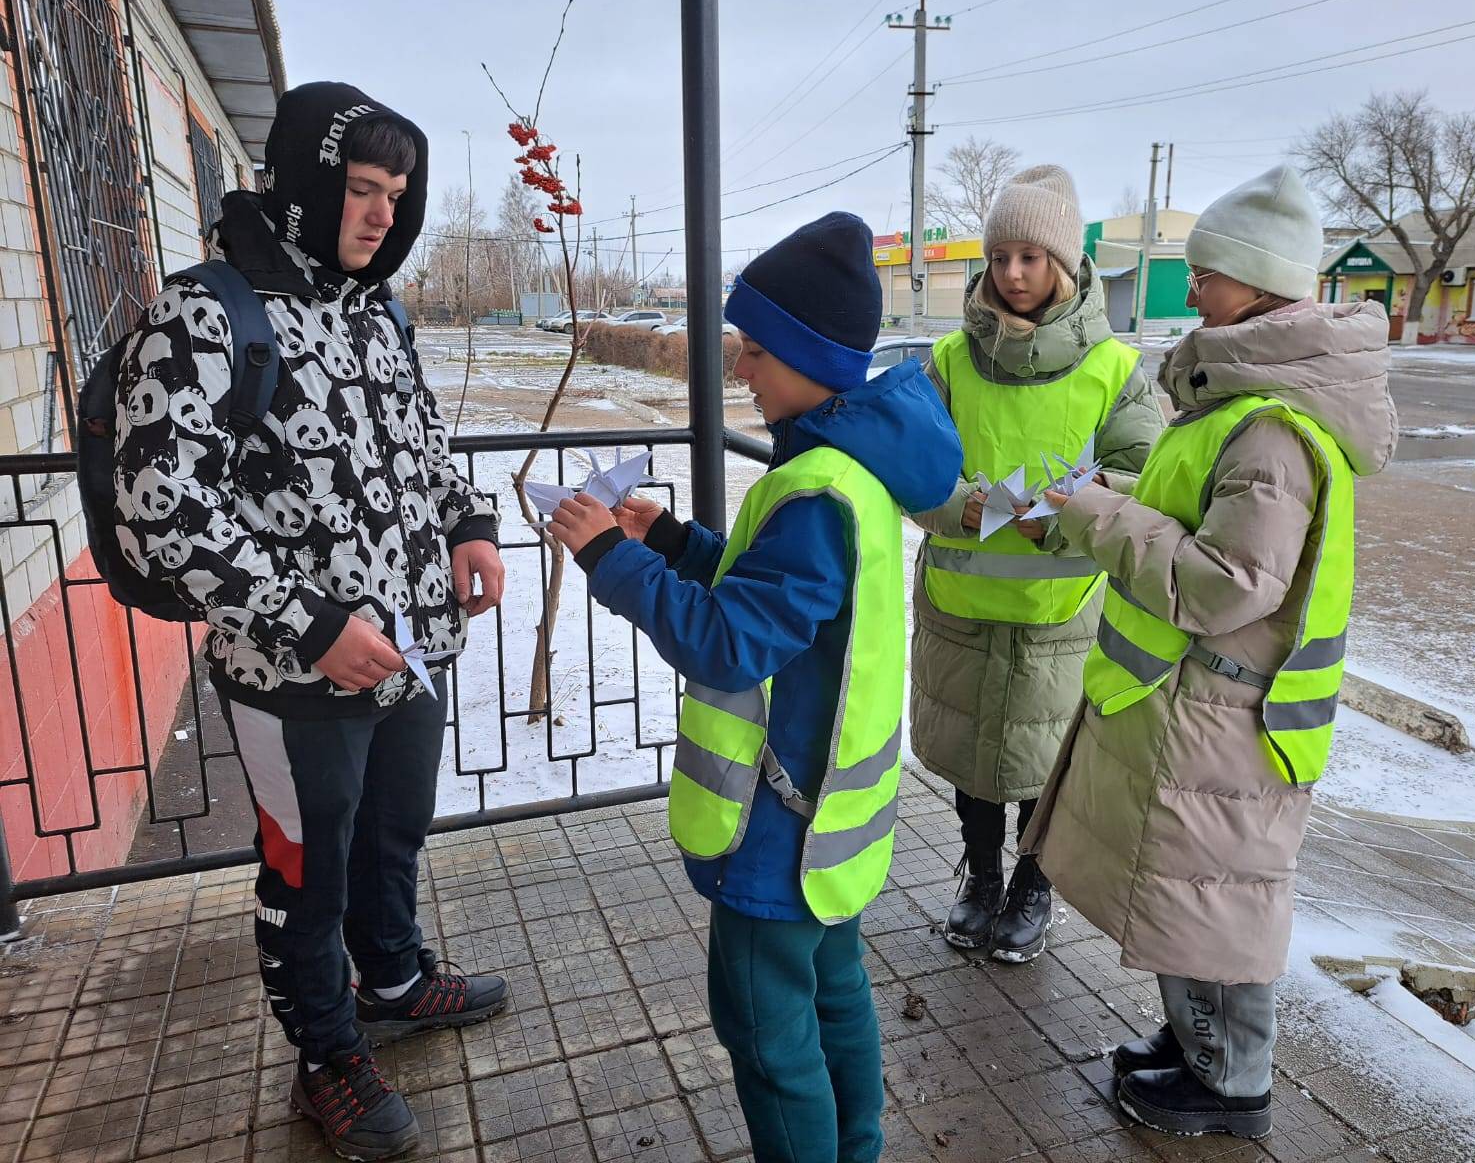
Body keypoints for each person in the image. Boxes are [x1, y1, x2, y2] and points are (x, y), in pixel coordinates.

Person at [112, 82, 508, 1161]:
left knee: (392, 834)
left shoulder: (378, 311)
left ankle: (391, 979)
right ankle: (326, 1056)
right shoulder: (205, 313)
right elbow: (163, 515)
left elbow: (420, 442)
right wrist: (309, 620)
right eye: (361, 189)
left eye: (397, 193)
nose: (382, 213)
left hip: (411, 649)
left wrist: (466, 522)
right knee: (306, 865)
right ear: (303, 183)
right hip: (297, 675)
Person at [546, 211, 962, 1163]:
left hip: (778, 825)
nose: (741, 367)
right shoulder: (845, 473)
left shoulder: (816, 489)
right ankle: (857, 1148)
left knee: (768, 1039)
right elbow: (774, 596)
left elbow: (732, 645)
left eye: (756, 348)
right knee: (836, 995)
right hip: (830, 815)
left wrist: (609, 556)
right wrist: (670, 542)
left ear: (811, 358)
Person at [1022, 164, 1398, 1138]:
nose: (1191, 291)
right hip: (1194, 710)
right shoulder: (1236, 407)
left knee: (1217, 905)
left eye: (1207, 273)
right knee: (1187, 898)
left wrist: (1097, 511)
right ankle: (1197, 1048)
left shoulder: (1270, 433)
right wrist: (1091, 505)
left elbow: (1222, 584)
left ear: (1258, 284)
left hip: (1226, 716)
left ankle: (1231, 1083)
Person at [910, 164, 1161, 963]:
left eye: (1030, 257)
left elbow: (1143, 473)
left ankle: (1033, 884)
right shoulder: (950, 359)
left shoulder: (1115, 367)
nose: (1012, 274)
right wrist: (965, 508)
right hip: (959, 601)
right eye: (999, 257)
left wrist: (1059, 511)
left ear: (1064, 264)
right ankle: (981, 878)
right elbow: (913, 468)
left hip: (1062, 614)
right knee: (972, 761)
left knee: (1046, 761)